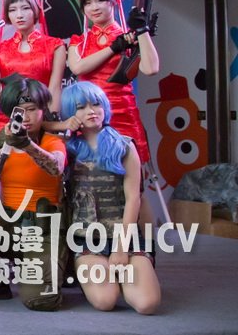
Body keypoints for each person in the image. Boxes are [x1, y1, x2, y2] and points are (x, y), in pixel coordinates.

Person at [60, 82, 160, 315]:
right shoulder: (67, 148)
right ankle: (104, 277)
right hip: (87, 239)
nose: (91, 111)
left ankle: (130, 273)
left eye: (96, 104)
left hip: (126, 238)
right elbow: (40, 129)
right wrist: (63, 125)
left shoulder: (124, 146)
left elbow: (134, 198)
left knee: (147, 304)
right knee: (105, 301)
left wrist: (121, 249)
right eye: (81, 107)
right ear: (70, 113)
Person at [0, 77, 66, 311]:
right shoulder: (6, 139)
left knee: (41, 300)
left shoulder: (52, 141)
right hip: (9, 223)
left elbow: (56, 167)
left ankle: (34, 265)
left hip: (41, 227)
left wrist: (27, 145)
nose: (26, 117)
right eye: (18, 111)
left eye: (31, 109)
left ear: (43, 110)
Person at [67, 0, 159, 162]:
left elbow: (151, 69)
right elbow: (77, 67)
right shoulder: (79, 41)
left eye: (100, 0)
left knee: (130, 170)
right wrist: (113, 48)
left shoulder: (130, 36)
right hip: (89, 116)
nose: (94, 7)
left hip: (122, 112)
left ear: (114, 1)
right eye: (88, 3)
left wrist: (142, 31)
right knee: (91, 172)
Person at [0, 0, 65, 128]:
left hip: (42, 118)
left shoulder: (55, 45)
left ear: (36, 10)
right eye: (12, 10)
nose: (19, 15)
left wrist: (49, 119)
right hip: (9, 120)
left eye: (25, 8)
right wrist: (22, 110)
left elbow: (55, 89)